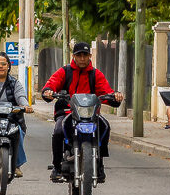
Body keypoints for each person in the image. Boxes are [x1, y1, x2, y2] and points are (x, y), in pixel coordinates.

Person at [41, 41, 123, 184]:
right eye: (79, 55)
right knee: (59, 130)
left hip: (90, 115)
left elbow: (106, 91)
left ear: (90, 56)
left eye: (86, 55)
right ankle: (57, 167)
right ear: (74, 56)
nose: (83, 58)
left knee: (105, 127)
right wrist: (48, 91)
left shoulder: (95, 74)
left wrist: (115, 96)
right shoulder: (65, 71)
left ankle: (100, 163)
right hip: (68, 112)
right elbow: (51, 83)